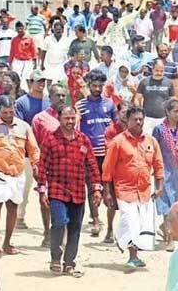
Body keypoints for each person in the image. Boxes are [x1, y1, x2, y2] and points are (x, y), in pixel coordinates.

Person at [36, 105, 101, 277]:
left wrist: (96, 188)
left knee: (75, 227)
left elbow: (92, 165)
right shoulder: (50, 140)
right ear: (60, 119)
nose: (70, 121)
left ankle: (69, 263)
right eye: (67, 118)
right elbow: (42, 166)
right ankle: (55, 258)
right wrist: (42, 190)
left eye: (73, 118)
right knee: (59, 222)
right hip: (57, 190)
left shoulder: (83, 140)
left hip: (78, 191)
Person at [102, 106, 164, 268]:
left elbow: (158, 165)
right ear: (127, 121)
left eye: (140, 119)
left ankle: (121, 238)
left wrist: (160, 186)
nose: (138, 122)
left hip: (144, 191)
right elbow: (107, 168)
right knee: (131, 222)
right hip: (124, 190)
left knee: (142, 224)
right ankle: (132, 256)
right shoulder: (118, 142)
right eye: (134, 119)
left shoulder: (151, 141)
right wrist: (107, 192)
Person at [0, 95, 40, 259]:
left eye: (11, 112)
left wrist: (36, 165)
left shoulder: (24, 127)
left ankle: (7, 242)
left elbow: (33, 149)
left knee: (13, 206)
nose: (8, 115)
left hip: (17, 172)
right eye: (5, 112)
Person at [75, 69, 117, 240]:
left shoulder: (110, 104)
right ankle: (96, 220)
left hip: (108, 154)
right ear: (88, 86)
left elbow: (116, 127)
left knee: (109, 188)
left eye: (100, 86)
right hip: (89, 155)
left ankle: (110, 226)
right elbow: (77, 130)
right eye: (94, 85)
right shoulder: (80, 106)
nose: (97, 89)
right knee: (92, 187)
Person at [14, 70, 49, 244]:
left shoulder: (49, 102)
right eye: (38, 81)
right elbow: (20, 128)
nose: (41, 84)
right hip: (27, 153)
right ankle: (20, 217)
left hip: (47, 153)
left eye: (43, 81)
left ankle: (48, 226)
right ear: (30, 82)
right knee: (25, 186)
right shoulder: (21, 103)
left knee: (47, 188)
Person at [152, 100, 178, 252]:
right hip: (164, 170)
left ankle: (166, 228)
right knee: (167, 205)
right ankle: (170, 238)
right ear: (167, 112)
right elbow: (154, 148)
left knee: (177, 205)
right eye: (175, 111)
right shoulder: (159, 130)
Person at [134, 59, 176, 134]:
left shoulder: (169, 83)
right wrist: (140, 112)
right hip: (147, 119)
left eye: (161, 71)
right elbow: (137, 99)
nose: (159, 73)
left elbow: (172, 101)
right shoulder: (144, 82)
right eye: (157, 70)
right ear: (152, 69)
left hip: (163, 119)